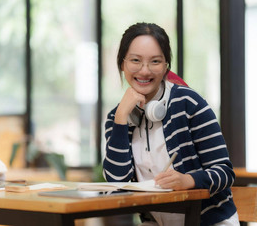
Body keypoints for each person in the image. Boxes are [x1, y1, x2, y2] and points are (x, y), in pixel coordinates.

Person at [102, 22, 239, 226]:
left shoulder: (189, 103)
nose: (144, 70)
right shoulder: (118, 115)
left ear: (166, 65)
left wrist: (188, 181)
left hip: (207, 222)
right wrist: (121, 117)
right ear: (122, 64)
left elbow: (225, 173)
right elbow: (116, 181)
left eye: (155, 61)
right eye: (135, 60)